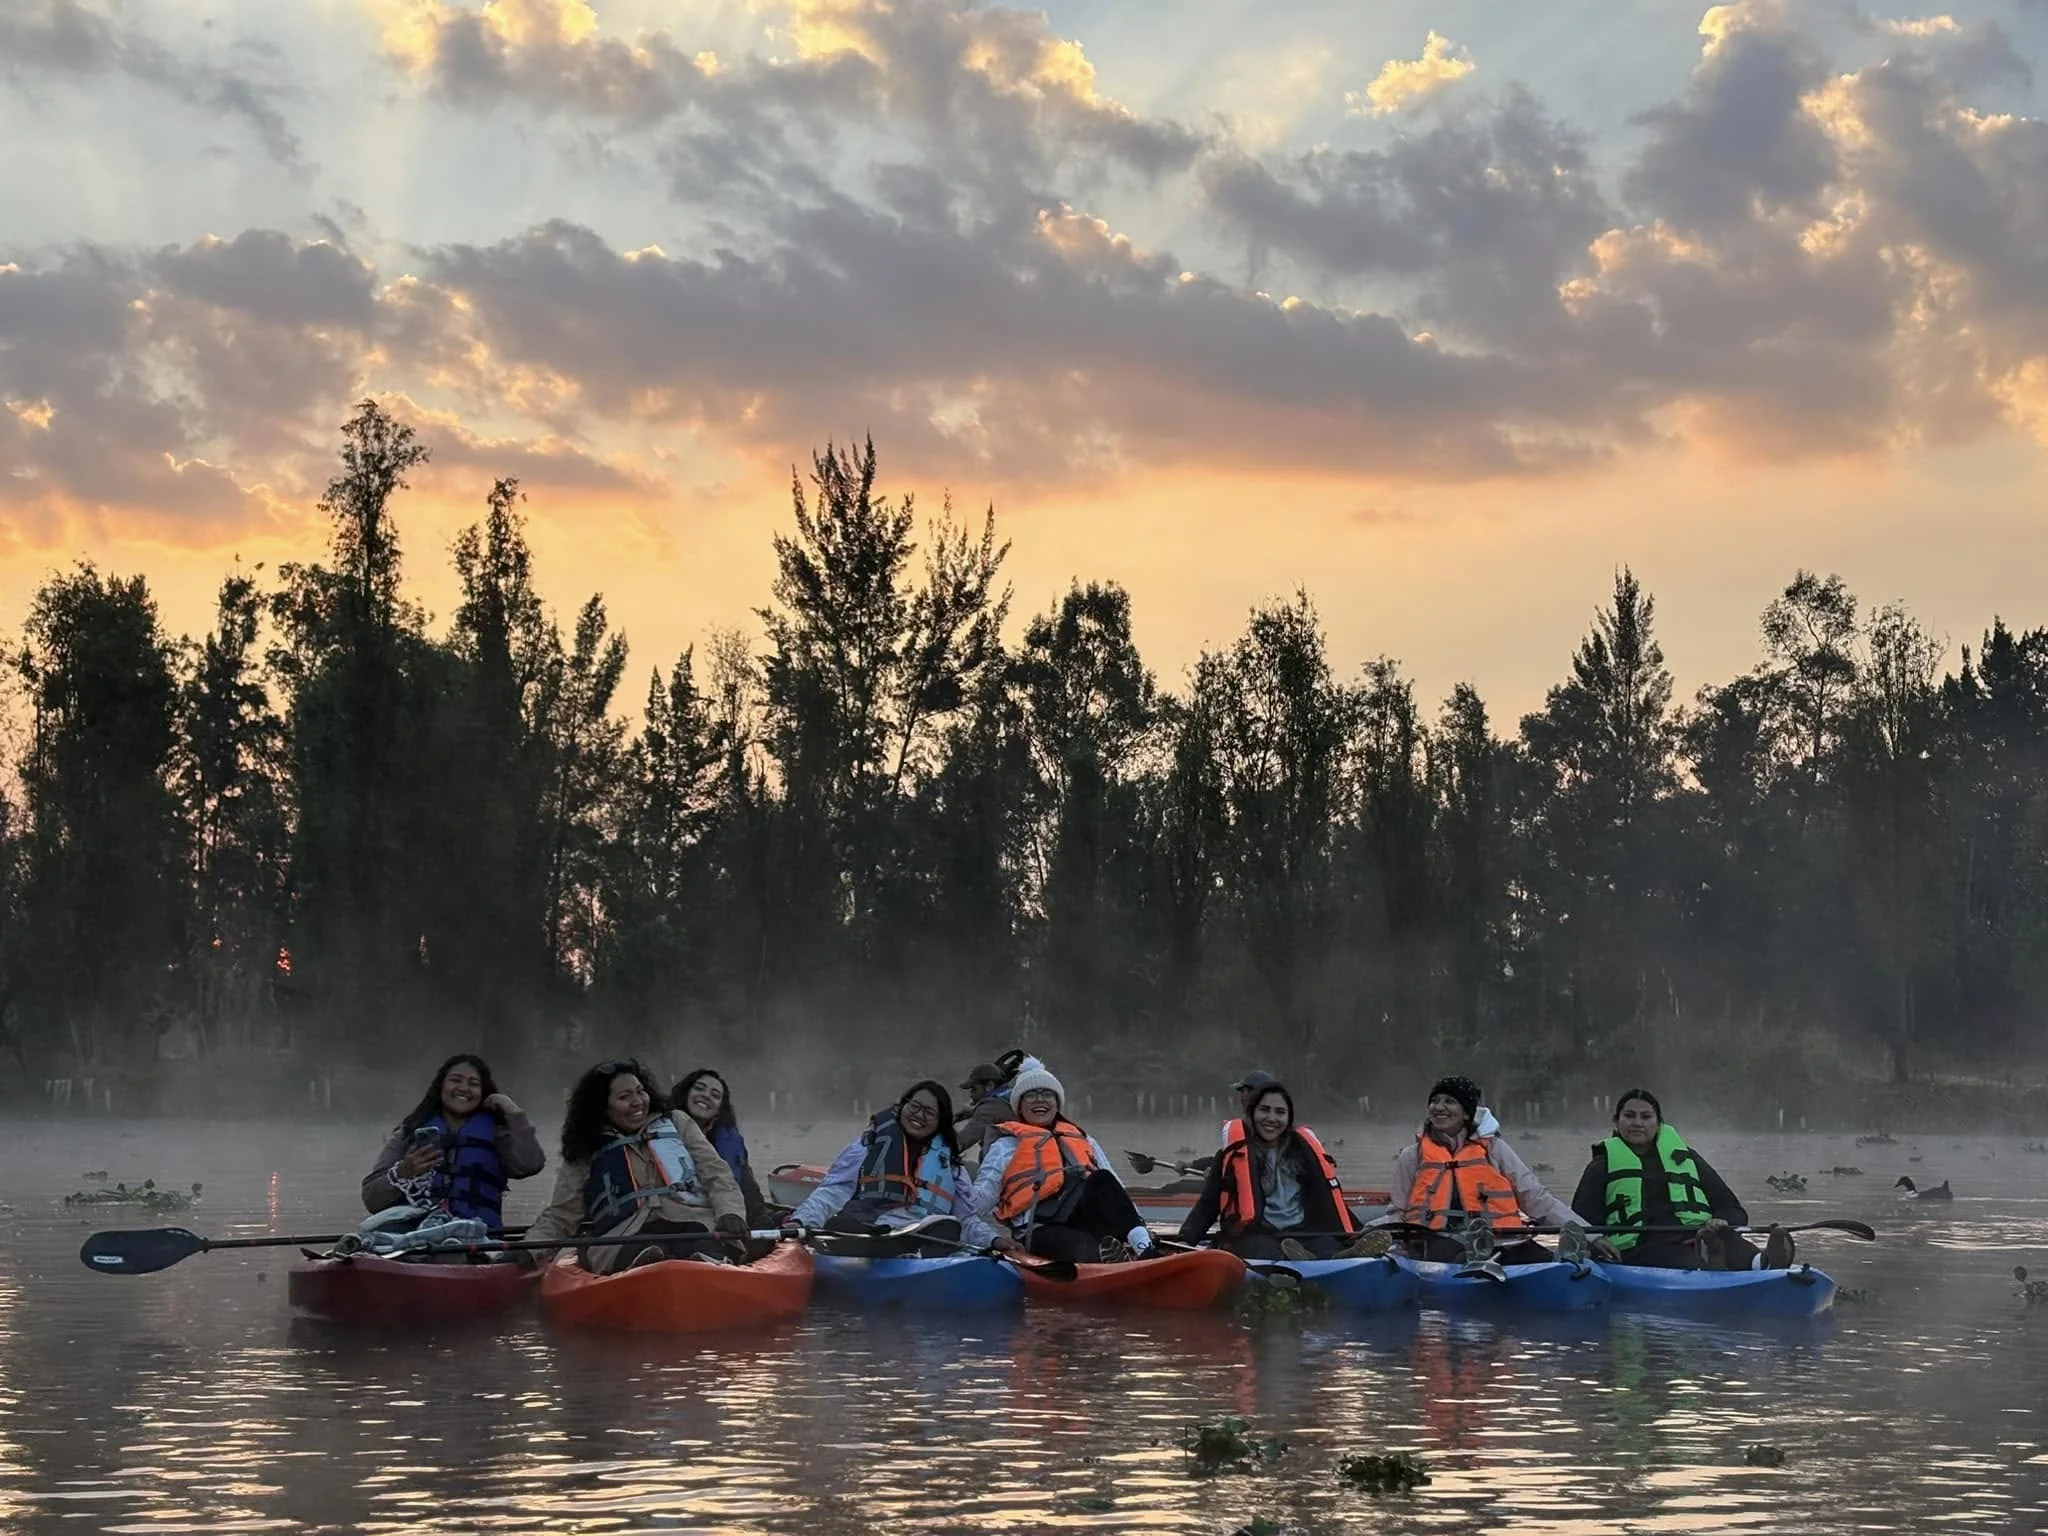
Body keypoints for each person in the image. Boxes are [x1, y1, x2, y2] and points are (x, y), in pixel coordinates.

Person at [523, 1058, 748, 1273]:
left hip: (691, 1222)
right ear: (603, 1107)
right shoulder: (586, 1147)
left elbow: (717, 1175)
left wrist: (731, 1213)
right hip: (622, 1234)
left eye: (640, 1091)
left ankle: (705, 1267)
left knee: (698, 1241)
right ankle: (646, 1268)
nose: (638, 1102)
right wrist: (532, 1249)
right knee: (639, 1247)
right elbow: (563, 1213)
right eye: (624, 1097)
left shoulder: (677, 1121)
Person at [1391, 1076, 1613, 1266]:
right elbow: (1397, 1212)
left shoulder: (1495, 1149)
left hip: (1501, 1239)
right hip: (1435, 1240)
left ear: (1467, 1114)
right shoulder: (1413, 1156)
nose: (1439, 1107)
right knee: (1458, 1255)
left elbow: (1536, 1199)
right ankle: (1477, 1258)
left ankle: (1566, 1260)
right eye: (1434, 1101)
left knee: (1543, 1259)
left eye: (1449, 1101)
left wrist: (1590, 1234)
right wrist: (1390, 1244)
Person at [1571, 1088, 1795, 1269]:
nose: (1637, 1123)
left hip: (1698, 1239)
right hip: (1640, 1248)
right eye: (1629, 1116)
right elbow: (1580, 1222)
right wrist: (1598, 1242)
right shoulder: (1601, 1166)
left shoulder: (1685, 1158)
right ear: (1616, 1122)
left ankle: (1764, 1263)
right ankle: (1708, 1268)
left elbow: (1732, 1208)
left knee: (1725, 1237)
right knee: (1678, 1255)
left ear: (1658, 1123)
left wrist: (1722, 1219)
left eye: (1646, 1117)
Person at [791, 1080, 1001, 1255]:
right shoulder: (869, 1145)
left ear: (940, 1122)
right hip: (871, 1229)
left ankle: (904, 1252)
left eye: (929, 1112)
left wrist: (994, 1240)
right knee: (839, 1226)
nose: (919, 1115)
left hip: (922, 1234)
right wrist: (801, 1221)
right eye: (914, 1106)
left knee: (948, 1229)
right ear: (903, 1106)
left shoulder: (951, 1165)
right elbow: (831, 1192)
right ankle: (880, 1248)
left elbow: (967, 1220)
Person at [1177, 1081, 1383, 1260]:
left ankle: (1333, 1258)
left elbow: (1328, 1198)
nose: (1272, 1118)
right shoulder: (1232, 1155)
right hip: (1256, 1235)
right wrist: (1184, 1241)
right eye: (1264, 1110)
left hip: (1302, 1233)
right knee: (1264, 1251)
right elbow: (1208, 1204)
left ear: (1289, 1119)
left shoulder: (1303, 1153)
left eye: (1280, 1112)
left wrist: (1358, 1231)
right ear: (1252, 1112)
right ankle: (1302, 1262)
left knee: (1328, 1245)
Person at [973, 1065, 1156, 1263]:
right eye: (1031, 1095)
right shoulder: (1005, 1147)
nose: (1040, 1099)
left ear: (1057, 1103)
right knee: (1082, 1246)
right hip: (1038, 1229)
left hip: (1083, 1221)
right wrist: (955, 1186)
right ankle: (1106, 1259)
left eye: (1047, 1094)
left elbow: (1116, 1191)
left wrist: (1140, 1229)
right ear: (1019, 1106)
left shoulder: (1085, 1140)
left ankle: (1144, 1249)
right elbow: (980, 1201)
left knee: (1102, 1178)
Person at [361, 1053, 546, 1233]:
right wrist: (404, 1171)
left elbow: (530, 1165)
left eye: (473, 1084)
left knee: (450, 1257)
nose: (464, 1088)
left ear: (483, 1092)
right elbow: (372, 1200)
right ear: (441, 1085)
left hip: (479, 1237)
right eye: (455, 1080)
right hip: (415, 1235)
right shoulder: (409, 1131)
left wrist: (514, 1114)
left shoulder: (499, 1132)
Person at [671, 1068, 769, 1228]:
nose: (706, 1096)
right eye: (699, 1088)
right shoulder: (659, 1130)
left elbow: (748, 1189)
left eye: (715, 1095)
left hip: (724, 1221)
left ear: (719, 1108)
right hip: (677, 1219)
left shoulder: (731, 1141)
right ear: (685, 1093)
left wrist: (762, 1218)